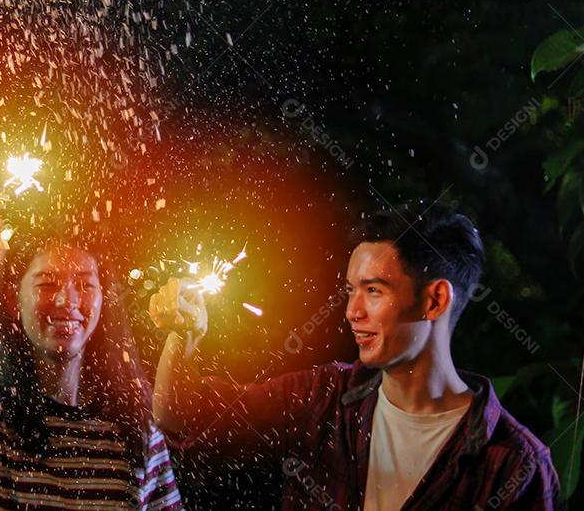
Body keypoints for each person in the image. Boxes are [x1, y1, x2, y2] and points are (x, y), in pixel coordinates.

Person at [149, 201, 559, 510]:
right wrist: (185, 335)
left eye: (373, 290)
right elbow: (182, 413)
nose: (352, 312)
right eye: (351, 290)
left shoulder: (513, 466)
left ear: (434, 300)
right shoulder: (322, 399)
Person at [0, 204, 183, 510]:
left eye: (84, 284)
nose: (66, 300)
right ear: (15, 299)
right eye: (46, 283)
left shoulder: (137, 430)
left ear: (103, 299)